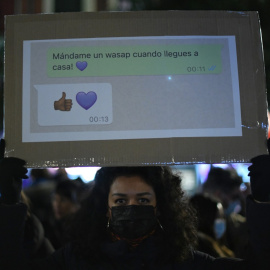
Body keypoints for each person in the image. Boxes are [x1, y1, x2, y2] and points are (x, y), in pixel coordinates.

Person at [1, 138, 270, 270]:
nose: (131, 206)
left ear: (160, 205)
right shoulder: (74, 260)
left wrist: (264, 199)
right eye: (120, 200)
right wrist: (8, 203)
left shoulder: (186, 262)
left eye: (142, 199)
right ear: (105, 206)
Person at [189, 194, 234, 258]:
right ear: (207, 218)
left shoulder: (220, 246)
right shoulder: (204, 247)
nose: (222, 221)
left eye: (223, 217)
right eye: (219, 217)